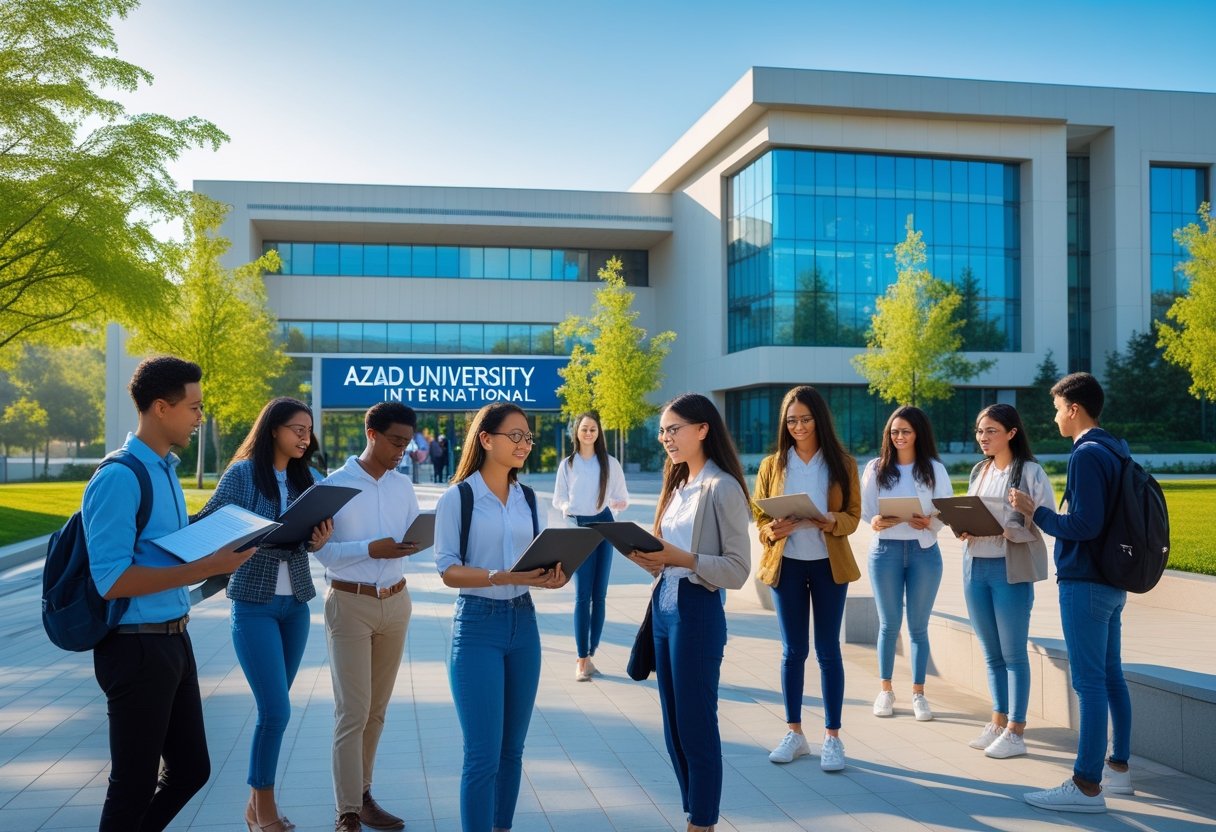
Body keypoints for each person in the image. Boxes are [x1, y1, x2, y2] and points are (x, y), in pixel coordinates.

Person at [83, 355, 253, 832]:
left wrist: (220, 548)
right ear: (161, 407)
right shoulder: (119, 476)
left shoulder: (164, 470)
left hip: (173, 639)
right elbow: (112, 579)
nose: (201, 416)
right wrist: (205, 567)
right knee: (132, 784)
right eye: (194, 407)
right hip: (134, 645)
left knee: (191, 770)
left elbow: (166, 553)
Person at [193, 397, 334, 832]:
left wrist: (319, 539)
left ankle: (254, 807)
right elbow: (206, 524)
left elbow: (312, 536)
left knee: (275, 711)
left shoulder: (307, 477)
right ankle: (265, 811)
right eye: (296, 428)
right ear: (273, 428)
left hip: (295, 605)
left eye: (308, 430)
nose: (304, 437)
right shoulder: (241, 474)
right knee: (276, 711)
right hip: (253, 604)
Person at [434, 402, 570, 832]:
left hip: (523, 624)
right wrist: (502, 576)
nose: (524, 444)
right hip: (477, 626)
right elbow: (447, 569)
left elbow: (537, 563)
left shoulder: (531, 499)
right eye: (515, 435)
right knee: (482, 754)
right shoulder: (459, 497)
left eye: (528, 437)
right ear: (486, 439)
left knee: (513, 750)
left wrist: (553, 577)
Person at [627, 393, 751, 832]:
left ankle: (702, 822)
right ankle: (692, 814)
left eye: (673, 429)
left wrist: (684, 558)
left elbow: (737, 570)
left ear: (703, 429)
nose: (665, 438)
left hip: (697, 613)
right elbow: (671, 555)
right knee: (673, 728)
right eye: (662, 431)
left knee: (697, 727)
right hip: (663, 610)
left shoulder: (723, 487)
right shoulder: (677, 485)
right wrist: (654, 559)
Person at [1014, 373, 1133, 813]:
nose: (1055, 415)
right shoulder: (1116, 448)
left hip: (1085, 581)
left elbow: (1084, 525)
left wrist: (1036, 512)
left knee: (1088, 683)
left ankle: (1086, 786)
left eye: (1057, 407)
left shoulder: (1085, 454)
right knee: (1111, 676)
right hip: (1112, 579)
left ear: (1074, 409)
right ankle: (1118, 770)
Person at [314, 402, 422, 832]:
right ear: (371, 433)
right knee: (352, 712)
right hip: (350, 603)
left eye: (407, 444)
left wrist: (415, 542)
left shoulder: (403, 486)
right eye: (396, 441)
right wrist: (368, 549)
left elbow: (412, 535)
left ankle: (362, 794)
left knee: (376, 712)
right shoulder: (333, 486)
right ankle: (347, 814)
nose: (401, 451)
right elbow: (321, 552)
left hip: (396, 603)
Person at [752, 386, 861, 771]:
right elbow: (760, 517)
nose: (798, 426)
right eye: (792, 420)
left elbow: (853, 515)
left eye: (805, 419)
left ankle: (832, 737)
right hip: (788, 566)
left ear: (819, 420)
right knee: (793, 651)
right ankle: (795, 733)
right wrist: (771, 531)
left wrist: (831, 520)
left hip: (829, 565)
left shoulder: (842, 464)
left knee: (828, 650)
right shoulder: (772, 465)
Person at [957, 404, 1054, 760]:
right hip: (975, 568)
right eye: (980, 431)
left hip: (1008, 570)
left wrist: (1010, 525)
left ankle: (1016, 730)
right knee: (991, 653)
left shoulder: (1029, 471)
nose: (983, 437)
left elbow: (1047, 519)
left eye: (991, 431)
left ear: (1012, 432)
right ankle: (997, 721)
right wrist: (963, 526)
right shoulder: (978, 471)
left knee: (1013, 654)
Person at [860, 405, 952, 722]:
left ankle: (918, 693)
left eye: (906, 431)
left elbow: (946, 510)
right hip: (885, 551)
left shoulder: (934, 469)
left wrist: (930, 522)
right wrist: (873, 522)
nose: (899, 437)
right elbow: (865, 510)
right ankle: (885, 690)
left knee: (918, 628)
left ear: (918, 434)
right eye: (894, 431)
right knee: (888, 625)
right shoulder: (876, 468)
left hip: (923, 551)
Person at [552, 411, 629, 681]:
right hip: (579, 527)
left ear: (599, 433)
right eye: (584, 429)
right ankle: (581, 658)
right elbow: (558, 498)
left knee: (600, 594)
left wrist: (618, 506)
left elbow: (622, 497)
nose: (588, 433)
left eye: (593, 429)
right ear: (577, 432)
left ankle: (590, 654)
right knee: (582, 595)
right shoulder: (568, 465)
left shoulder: (610, 463)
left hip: (605, 525)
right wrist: (566, 508)